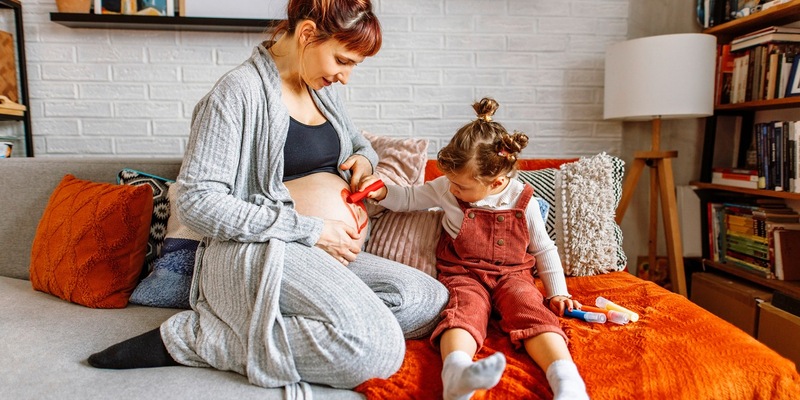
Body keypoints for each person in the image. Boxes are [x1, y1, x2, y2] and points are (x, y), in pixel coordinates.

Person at [87, 0, 448, 393]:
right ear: (308, 34)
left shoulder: (321, 91)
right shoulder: (236, 93)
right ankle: (201, 340)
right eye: (343, 61)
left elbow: (361, 144)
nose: (345, 77)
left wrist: (362, 160)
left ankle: (294, 325)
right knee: (374, 350)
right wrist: (310, 229)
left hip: (322, 254)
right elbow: (196, 201)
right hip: (257, 250)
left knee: (427, 299)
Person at [357, 98, 590, 400]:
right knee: (463, 313)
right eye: (451, 182)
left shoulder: (522, 200)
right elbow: (409, 199)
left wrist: (558, 291)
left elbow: (544, 249)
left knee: (531, 310)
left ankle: (566, 380)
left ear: (497, 182)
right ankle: (456, 373)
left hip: (513, 275)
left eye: (462, 186)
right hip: (463, 273)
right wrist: (383, 191)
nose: (453, 189)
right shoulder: (446, 187)